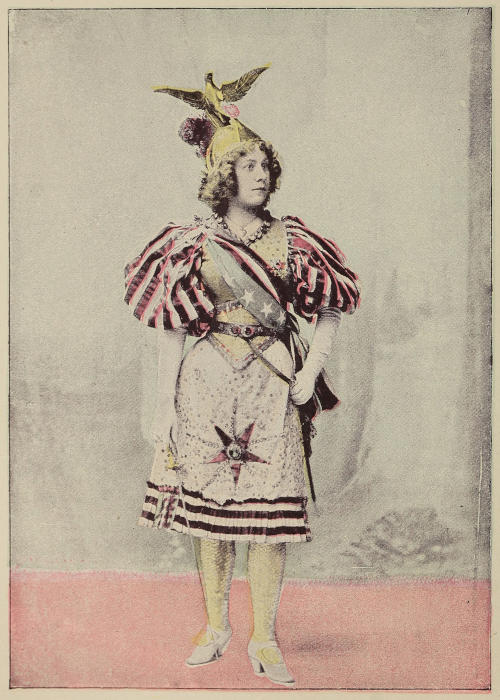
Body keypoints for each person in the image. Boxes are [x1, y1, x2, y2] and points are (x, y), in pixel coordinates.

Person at [124, 66, 360, 687]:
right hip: (204, 381)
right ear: (222, 175)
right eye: (247, 165)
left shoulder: (295, 239)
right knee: (209, 514)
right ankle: (214, 628)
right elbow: (172, 326)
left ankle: (264, 638)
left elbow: (331, 307)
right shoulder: (190, 243)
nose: (260, 174)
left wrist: (311, 370)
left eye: (264, 165)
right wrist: (164, 404)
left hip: (271, 382)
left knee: (268, 517)